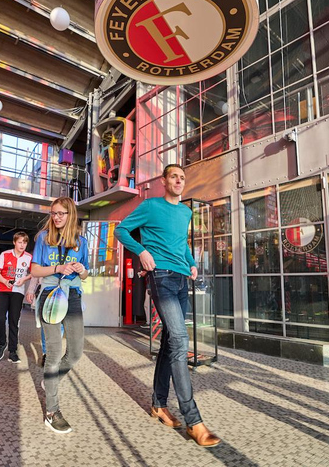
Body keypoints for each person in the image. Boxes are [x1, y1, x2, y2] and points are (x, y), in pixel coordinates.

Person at [114, 164, 221, 448]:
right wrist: (142, 252)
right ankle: (194, 421)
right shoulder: (150, 206)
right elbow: (122, 230)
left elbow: (182, 242)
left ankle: (159, 405)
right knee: (181, 339)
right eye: (174, 176)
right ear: (163, 181)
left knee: (169, 343)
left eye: (182, 178)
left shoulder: (185, 212)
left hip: (180, 278)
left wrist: (193, 262)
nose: (178, 181)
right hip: (159, 275)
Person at [27, 196, 89, 434]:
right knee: (53, 353)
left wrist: (82, 270)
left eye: (62, 213)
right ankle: (52, 412)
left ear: (71, 214)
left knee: (75, 352)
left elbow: (85, 275)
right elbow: (34, 270)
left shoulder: (81, 242)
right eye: (54, 213)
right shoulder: (44, 238)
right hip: (50, 296)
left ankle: (50, 380)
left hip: (72, 297)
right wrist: (57, 268)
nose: (57, 217)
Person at [0, 231, 32, 363]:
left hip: (18, 291)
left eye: (25, 242)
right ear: (14, 242)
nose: (22, 245)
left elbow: (34, 272)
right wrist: (4, 281)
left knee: (14, 321)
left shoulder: (28, 257)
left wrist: (24, 279)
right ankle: (2, 343)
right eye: (20, 242)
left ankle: (13, 351)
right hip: (2, 289)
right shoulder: (5, 255)